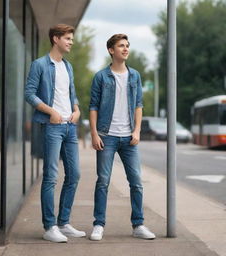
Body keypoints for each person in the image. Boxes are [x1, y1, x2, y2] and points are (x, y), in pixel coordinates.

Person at [89, 34, 156, 241]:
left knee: (136, 182)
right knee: (103, 181)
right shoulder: (101, 77)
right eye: (121, 46)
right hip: (106, 136)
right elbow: (93, 107)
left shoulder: (134, 76)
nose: (125, 49)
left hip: (129, 138)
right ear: (111, 50)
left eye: (127, 45)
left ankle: (138, 225)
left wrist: (136, 131)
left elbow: (138, 105)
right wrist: (94, 134)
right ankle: (99, 225)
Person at [25, 24, 85, 243]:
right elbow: (29, 94)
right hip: (51, 126)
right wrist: (51, 112)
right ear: (55, 39)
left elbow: (72, 94)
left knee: (75, 174)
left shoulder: (67, 67)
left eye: (71, 38)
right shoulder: (40, 65)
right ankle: (49, 227)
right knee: (51, 176)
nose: (71, 42)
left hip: (70, 126)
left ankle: (63, 223)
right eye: (68, 38)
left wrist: (77, 110)